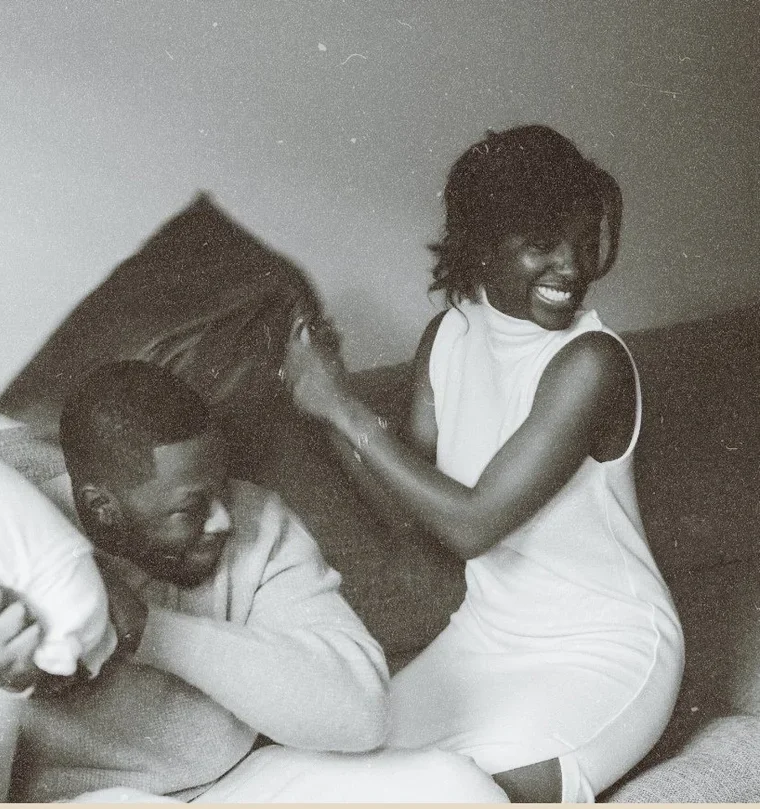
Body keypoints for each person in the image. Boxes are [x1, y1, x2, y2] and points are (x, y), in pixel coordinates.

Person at [282, 124, 684, 803]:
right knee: (324, 769)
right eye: (542, 244)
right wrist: (324, 402)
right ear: (481, 245)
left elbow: (471, 526)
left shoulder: (592, 363)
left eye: (584, 241)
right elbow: (412, 516)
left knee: (453, 795)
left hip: (603, 650)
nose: (572, 267)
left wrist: (344, 408)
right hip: (484, 637)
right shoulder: (448, 335)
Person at [0, 359, 508, 803]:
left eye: (221, 489)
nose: (222, 520)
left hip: (242, 781)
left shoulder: (256, 519)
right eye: (190, 508)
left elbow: (360, 715)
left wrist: (149, 631)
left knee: (457, 788)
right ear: (102, 507)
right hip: (100, 802)